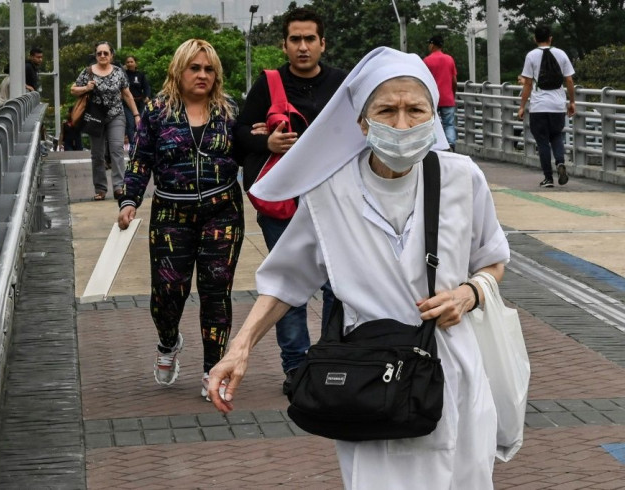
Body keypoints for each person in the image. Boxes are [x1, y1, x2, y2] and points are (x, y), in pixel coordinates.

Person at [208, 47, 509, 489]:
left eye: (415, 109)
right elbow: (286, 279)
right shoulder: (330, 189)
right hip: (369, 379)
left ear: (433, 113)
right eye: (387, 110)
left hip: (450, 367)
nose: (402, 124)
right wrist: (241, 347)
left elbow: (492, 260)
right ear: (361, 122)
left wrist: (469, 293)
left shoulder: (462, 177)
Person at [117, 39, 244, 400]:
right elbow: (140, 159)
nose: (202, 75)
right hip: (172, 214)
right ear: (179, 70)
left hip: (223, 213)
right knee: (168, 293)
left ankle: (212, 371)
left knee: (216, 294)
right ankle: (168, 341)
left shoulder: (229, 111)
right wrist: (130, 200)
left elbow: (249, 154)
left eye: (208, 69)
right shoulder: (157, 111)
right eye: (195, 68)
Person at [236, 7, 346, 395]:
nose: (303, 47)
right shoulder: (268, 84)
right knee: (288, 286)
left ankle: (331, 356)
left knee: (339, 284)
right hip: (283, 203)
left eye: (310, 39)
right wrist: (266, 142)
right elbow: (237, 136)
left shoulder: (341, 83)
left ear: (322, 43)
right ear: (284, 45)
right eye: (295, 40)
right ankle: (296, 367)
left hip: (334, 200)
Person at [72, 41, 139, 201]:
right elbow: (73, 89)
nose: (102, 56)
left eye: (105, 53)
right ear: (95, 55)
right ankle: (100, 188)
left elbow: (127, 94)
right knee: (97, 153)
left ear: (111, 55)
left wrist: (136, 115)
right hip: (96, 118)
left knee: (116, 149)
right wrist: (86, 88)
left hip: (116, 115)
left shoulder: (118, 72)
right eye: (99, 53)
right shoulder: (88, 72)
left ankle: (119, 187)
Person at [517, 23, 576, 188]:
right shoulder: (561, 54)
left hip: (539, 106)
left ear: (535, 39)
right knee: (556, 136)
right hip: (557, 105)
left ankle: (548, 178)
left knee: (542, 142)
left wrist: (522, 106)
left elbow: (527, 84)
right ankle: (560, 163)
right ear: (550, 38)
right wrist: (571, 102)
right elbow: (569, 80)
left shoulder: (531, 56)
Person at [423, 35, 458, 151]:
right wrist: (453, 93)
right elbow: (454, 80)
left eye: (429, 44)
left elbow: (424, 80)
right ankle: (451, 144)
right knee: (449, 124)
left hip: (432, 99)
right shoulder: (449, 59)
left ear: (432, 45)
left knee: (431, 123)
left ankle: (434, 146)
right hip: (448, 98)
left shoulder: (427, 61)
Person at [123, 55, 152, 147]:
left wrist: (147, 96)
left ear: (136, 63)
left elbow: (146, 87)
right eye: (128, 62)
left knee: (140, 123)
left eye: (131, 62)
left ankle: (141, 143)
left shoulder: (141, 75)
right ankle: (132, 144)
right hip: (128, 103)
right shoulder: (123, 75)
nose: (130, 64)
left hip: (140, 103)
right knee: (131, 123)